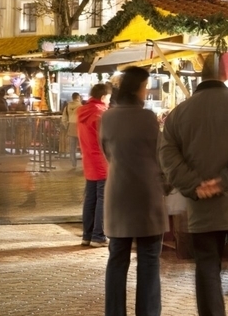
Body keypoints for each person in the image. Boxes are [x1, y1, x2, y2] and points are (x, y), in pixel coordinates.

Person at [160, 55, 228, 316]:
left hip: (202, 209)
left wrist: (196, 185)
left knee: (207, 269)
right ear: (225, 75)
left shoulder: (178, 114)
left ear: (199, 75)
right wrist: (224, 181)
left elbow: (167, 157)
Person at [101, 67, 167, 316]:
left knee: (117, 259)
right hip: (146, 194)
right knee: (149, 260)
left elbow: (107, 153)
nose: (147, 90)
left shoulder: (107, 117)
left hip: (118, 194)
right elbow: (159, 156)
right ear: (138, 88)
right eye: (145, 86)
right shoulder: (148, 118)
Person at [78, 82, 111, 247]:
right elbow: (107, 140)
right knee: (102, 199)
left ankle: (87, 235)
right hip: (102, 162)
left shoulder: (83, 112)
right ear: (104, 96)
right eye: (108, 98)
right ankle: (98, 236)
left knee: (90, 198)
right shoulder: (101, 114)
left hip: (88, 161)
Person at [62, 92, 83, 168]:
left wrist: (67, 126)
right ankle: (84, 163)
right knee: (83, 147)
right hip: (80, 128)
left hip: (71, 126)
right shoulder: (81, 107)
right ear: (78, 97)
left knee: (72, 147)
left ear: (72, 97)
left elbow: (64, 118)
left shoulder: (67, 106)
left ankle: (74, 163)